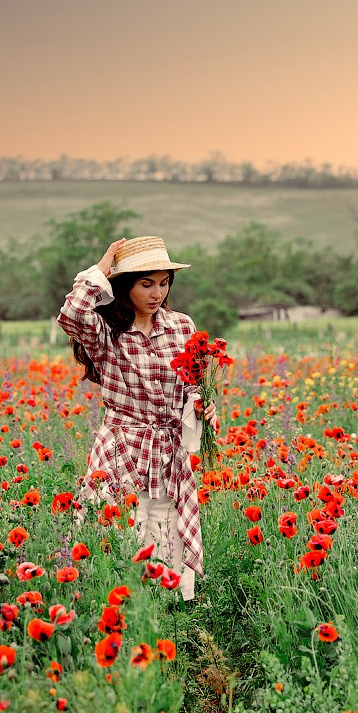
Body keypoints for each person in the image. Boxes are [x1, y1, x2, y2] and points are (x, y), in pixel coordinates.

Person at [57, 235, 217, 604]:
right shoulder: (106, 332)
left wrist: (202, 406)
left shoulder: (181, 326)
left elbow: (192, 385)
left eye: (164, 283)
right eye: (146, 284)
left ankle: (167, 611)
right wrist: (103, 267)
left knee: (165, 525)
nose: (157, 293)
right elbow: (72, 313)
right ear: (125, 286)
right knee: (119, 529)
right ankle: (120, 610)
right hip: (122, 447)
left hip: (169, 450)